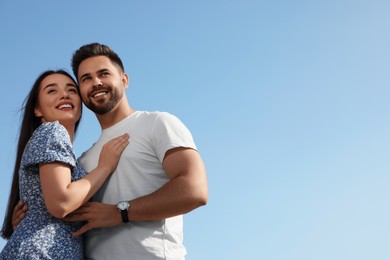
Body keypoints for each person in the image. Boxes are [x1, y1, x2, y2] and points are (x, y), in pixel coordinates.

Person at [12, 42, 208, 259]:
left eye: (103, 73)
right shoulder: (82, 162)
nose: (96, 82)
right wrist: (28, 221)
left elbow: (194, 190)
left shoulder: (157, 123)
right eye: (85, 79)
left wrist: (120, 212)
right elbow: (63, 209)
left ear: (124, 80)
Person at [0, 70, 129, 259]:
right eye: (52, 91)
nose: (64, 94)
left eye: (72, 90)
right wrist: (105, 166)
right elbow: (61, 203)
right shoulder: (53, 131)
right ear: (37, 109)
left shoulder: (61, 150)